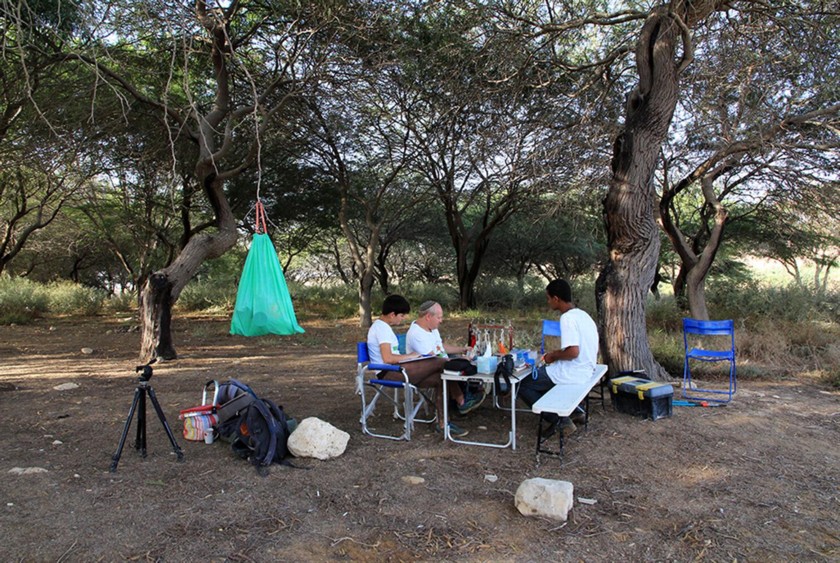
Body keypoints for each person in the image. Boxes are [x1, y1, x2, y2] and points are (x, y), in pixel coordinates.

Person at [366, 295, 474, 438]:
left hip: (400, 368)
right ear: (392, 314)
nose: (403, 319)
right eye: (401, 315)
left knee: (440, 378)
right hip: (389, 372)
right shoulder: (381, 329)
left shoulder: (384, 327)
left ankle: (442, 423)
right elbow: (388, 358)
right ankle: (461, 398)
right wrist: (410, 356)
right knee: (439, 361)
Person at [518, 279, 599, 437]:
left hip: (572, 372)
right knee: (543, 377)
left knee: (523, 384)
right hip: (586, 370)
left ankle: (560, 421)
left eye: (548, 298)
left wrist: (553, 355)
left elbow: (573, 352)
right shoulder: (583, 315)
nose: (548, 302)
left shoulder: (567, 318)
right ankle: (576, 412)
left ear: (556, 298)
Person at [406, 300, 485, 413]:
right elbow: (433, 359)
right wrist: (457, 360)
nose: (441, 321)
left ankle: (467, 394)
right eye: (439, 318)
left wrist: (462, 349)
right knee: (451, 368)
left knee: (462, 363)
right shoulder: (416, 334)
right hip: (425, 370)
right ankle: (461, 401)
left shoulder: (431, 328)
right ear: (428, 316)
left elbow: (440, 347)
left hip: (439, 362)